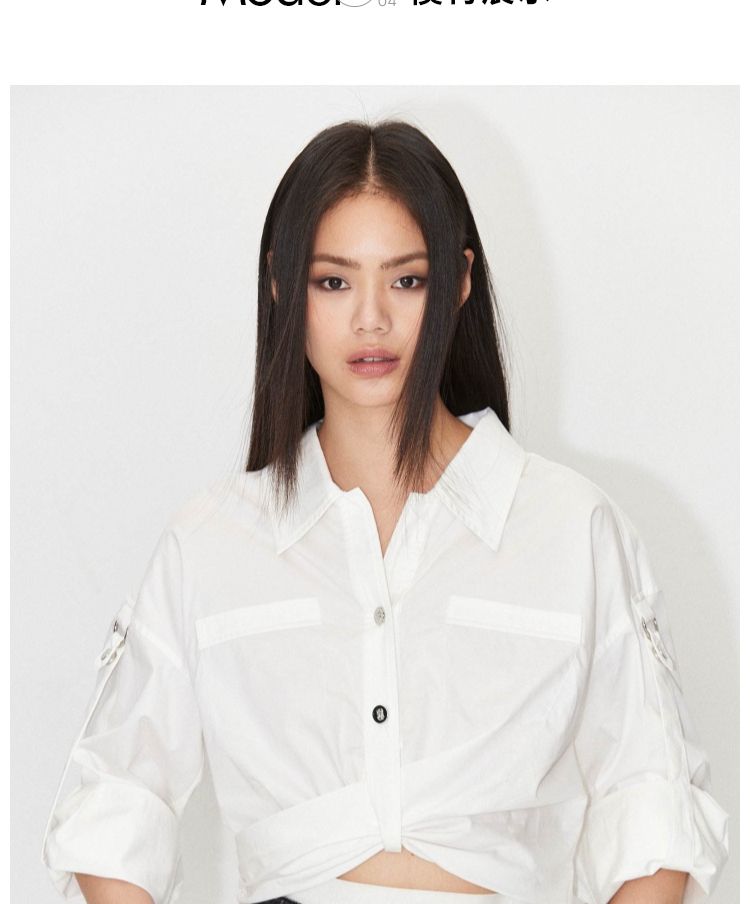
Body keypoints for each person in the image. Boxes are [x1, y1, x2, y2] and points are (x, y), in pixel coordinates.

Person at [41, 119, 730, 904]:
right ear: (281, 284)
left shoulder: (572, 528)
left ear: (459, 281)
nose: (371, 319)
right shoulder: (210, 541)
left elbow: (649, 802)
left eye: (406, 280)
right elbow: (116, 799)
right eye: (333, 282)